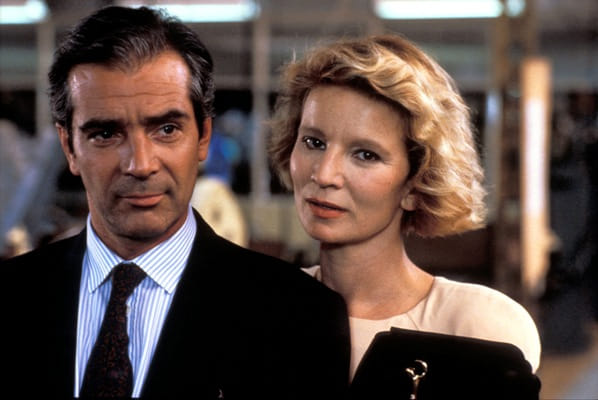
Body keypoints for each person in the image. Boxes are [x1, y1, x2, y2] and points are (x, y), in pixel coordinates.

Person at [0, 6, 351, 399]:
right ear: (69, 147)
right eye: (105, 134)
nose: (140, 165)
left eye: (166, 129)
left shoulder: (297, 316)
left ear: (203, 136)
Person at [268, 34, 541, 392]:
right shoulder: (257, 310)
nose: (324, 174)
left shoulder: (479, 324)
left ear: (415, 184)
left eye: (365, 154)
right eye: (314, 142)